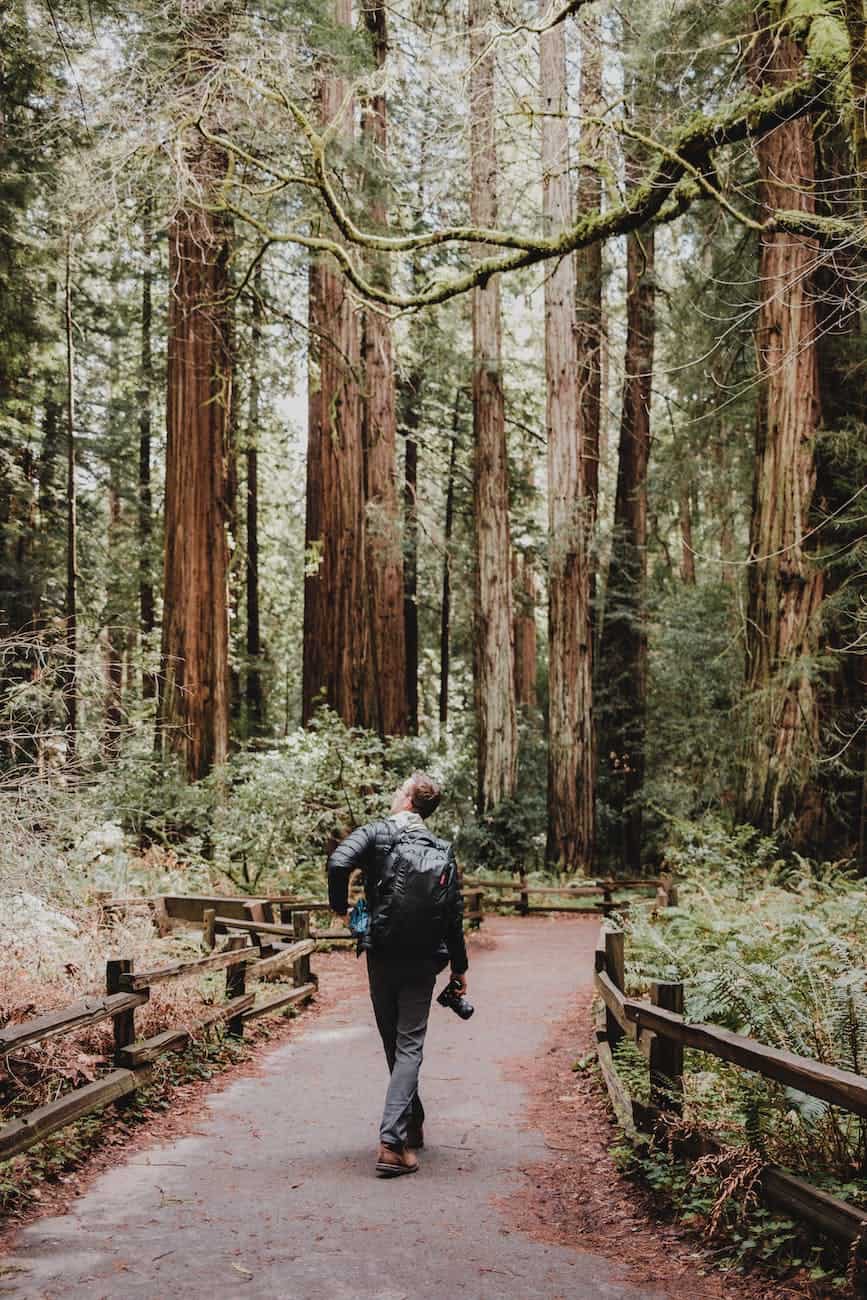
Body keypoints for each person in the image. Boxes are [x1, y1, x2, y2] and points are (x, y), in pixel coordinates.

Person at [327, 771, 468, 1178]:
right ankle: (411, 1120)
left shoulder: (378, 833)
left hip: (383, 953)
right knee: (407, 1046)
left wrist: (339, 906)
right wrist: (460, 968)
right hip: (425, 958)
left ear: (408, 801)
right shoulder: (442, 848)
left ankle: (391, 1144)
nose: (394, 794)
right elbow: (452, 914)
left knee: (397, 1043)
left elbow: (339, 860)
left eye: (399, 789)